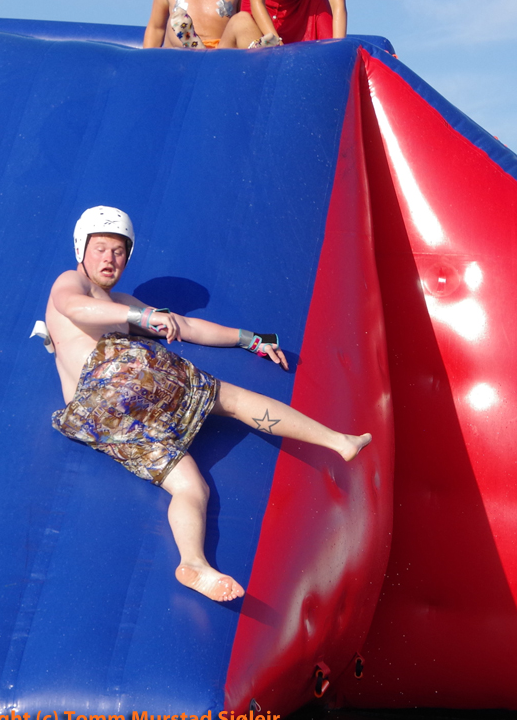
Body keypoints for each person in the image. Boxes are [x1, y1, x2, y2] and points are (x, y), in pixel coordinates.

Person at [42, 206, 371, 603]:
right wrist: (140, 314)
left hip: (100, 422)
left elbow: (186, 326)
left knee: (190, 485)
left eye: (119, 251)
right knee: (232, 399)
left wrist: (249, 339)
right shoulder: (73, 283)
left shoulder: (121, 304)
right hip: (114, 378)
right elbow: (73, 307)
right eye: (101, 249)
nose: (110, 258)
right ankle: (337, 440)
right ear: (81, 249)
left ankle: (193, 563)